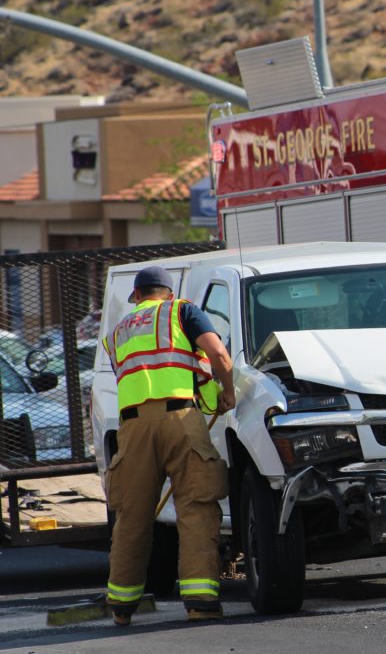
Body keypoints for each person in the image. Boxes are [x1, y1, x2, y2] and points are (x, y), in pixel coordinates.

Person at [102, 265, 235, 626]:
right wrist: (228, 391)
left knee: (132, 515)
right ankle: (199, 601)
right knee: (195, 507)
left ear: (138, 296)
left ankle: (122, 606)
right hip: (180, 420)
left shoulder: (116, 332)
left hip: (132, 428)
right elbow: (219, 356)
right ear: (168, 292)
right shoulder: (182, 311)